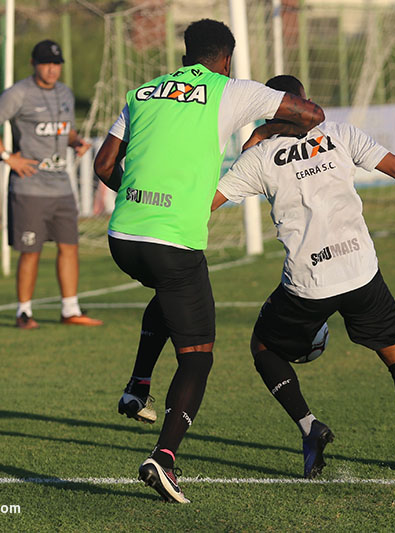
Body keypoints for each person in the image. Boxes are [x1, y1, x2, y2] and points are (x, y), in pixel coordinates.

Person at [211, 75, 395, 478]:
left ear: (272, 111)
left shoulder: (260, 158)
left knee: (264, 348)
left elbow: (206, 205)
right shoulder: (340, 134)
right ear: (307, 104)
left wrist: (258, 135)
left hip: (308, 283)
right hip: (360, 274)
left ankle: (309, 426)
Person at [93, 20, 324, 503]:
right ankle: (166, 459)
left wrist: (141, 202)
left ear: (186, 52)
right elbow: (311, 113)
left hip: (121, 237)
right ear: (227, 58)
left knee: (169, 290)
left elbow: (103, 166)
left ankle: (138, 384)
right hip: (172, 241)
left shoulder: (141, 93)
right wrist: (263, 130)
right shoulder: (230, 89)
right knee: (197, 357)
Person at [0, 40, 102, 329]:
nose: (52, 69)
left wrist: (76, 142)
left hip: (61, 186)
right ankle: (23, 312)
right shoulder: (19, 93)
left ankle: (70, 309)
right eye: (46, 63)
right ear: (33, 63)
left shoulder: (65, 92)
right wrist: (8, 157)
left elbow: (65, 130)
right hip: (29, 187)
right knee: (30, 250)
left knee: (69, 246)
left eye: (56, 63)